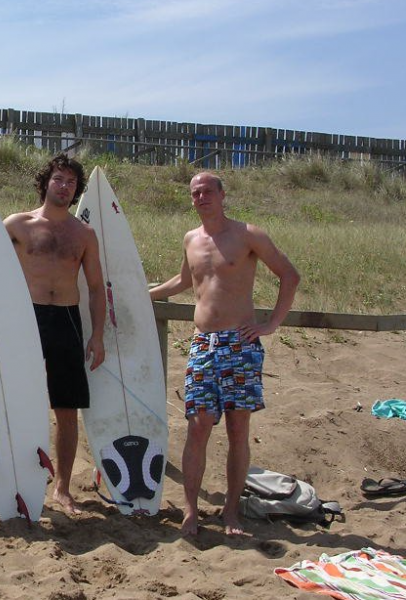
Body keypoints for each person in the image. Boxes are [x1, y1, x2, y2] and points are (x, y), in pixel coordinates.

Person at [0, 154, 105, 514]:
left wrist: (98, 335)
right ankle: (4, 474)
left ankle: (61, 487)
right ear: (46, 183)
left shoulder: (84, 234)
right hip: (24, 319)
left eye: (71, 182)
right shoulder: (18, 224)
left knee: (66, 407)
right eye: (58, 179)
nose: (64, 186)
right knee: (8, 397)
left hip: (67, 321)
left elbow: (95, 286)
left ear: (77, 191)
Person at [149, 171, 300, 537]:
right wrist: (143, 293)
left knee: (237, 428)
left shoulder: (248, 234)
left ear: (221, 194)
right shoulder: (191, 239)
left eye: (206, 191)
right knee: (198, 425)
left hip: (241, 344)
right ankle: (191, 511)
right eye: (194, 193)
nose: (200, 198)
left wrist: (271, 324)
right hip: (203, 343)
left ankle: (231, 512)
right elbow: (184, 280)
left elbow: (289, 275)